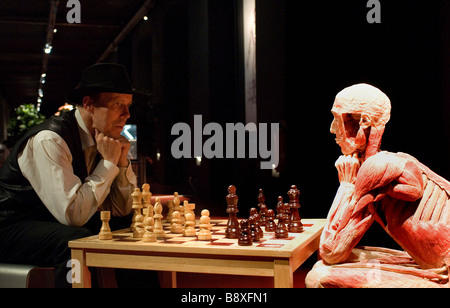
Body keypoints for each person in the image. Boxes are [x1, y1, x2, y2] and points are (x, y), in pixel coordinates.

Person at [0, 63, 137, 287]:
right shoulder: (50, 139)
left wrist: (120, 163)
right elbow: (72, 215)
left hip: (49, 221)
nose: (126, 114)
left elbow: (123, 210)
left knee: (128, 228)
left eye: (129, 105)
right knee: (74, 240)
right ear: (89, 104)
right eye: (117, 104)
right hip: (11, 226)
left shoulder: (105, 141)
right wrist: (109, 163)